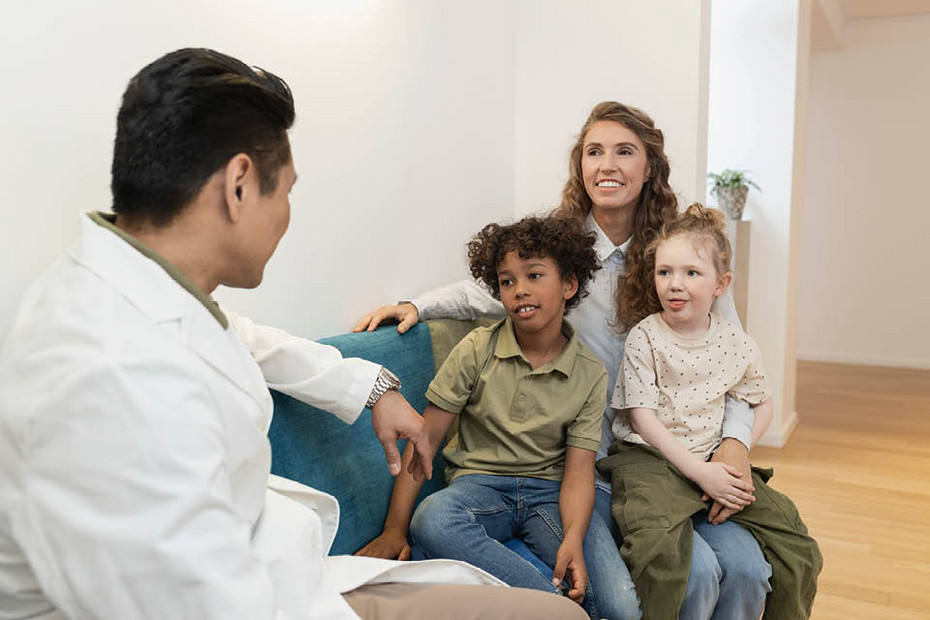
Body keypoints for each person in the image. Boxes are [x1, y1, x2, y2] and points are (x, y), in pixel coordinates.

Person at [0, 48, 588, 620]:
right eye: (284, 191)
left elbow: (252, 341)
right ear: (238, 185)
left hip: (287, 577)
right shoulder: (111, 370)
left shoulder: (139, 291)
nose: (287, 212)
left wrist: (376, 388)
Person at [355, 102, 771, 617]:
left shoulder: (681, 255)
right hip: (602, 458)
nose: (607, 165)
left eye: (625, 152)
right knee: (696, 572)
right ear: (580, 165)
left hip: (691, 445)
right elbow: (489, 289)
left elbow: (732, 363)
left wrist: (734, 443)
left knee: (751, 571)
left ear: (650, 168)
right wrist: (418, 305)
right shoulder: (561, 256)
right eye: (594, 152)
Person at [359, 216, 634, 619]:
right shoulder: (476, 349)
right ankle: (552, 608)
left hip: (550, 494)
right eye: (507, 281)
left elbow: (578, 472)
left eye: (535, 275)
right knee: (433, 520)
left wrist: (573, 538)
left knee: (621, 606)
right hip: (478, 489)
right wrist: (394, 530)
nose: (519, 289)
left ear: (569, 285)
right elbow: (425, 441)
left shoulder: (591, 373)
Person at [598, 204, 822, 619]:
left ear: (721, 284)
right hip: (650, 460)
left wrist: (734, 456)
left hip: (712, 459)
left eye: (691, 273)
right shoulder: (645, 337)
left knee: (797, 546)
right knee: (663, 556)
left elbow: (763, 402)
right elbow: (643, 419)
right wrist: (700, 474)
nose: (674, 285)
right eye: (664, 272)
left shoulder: (736, 342)